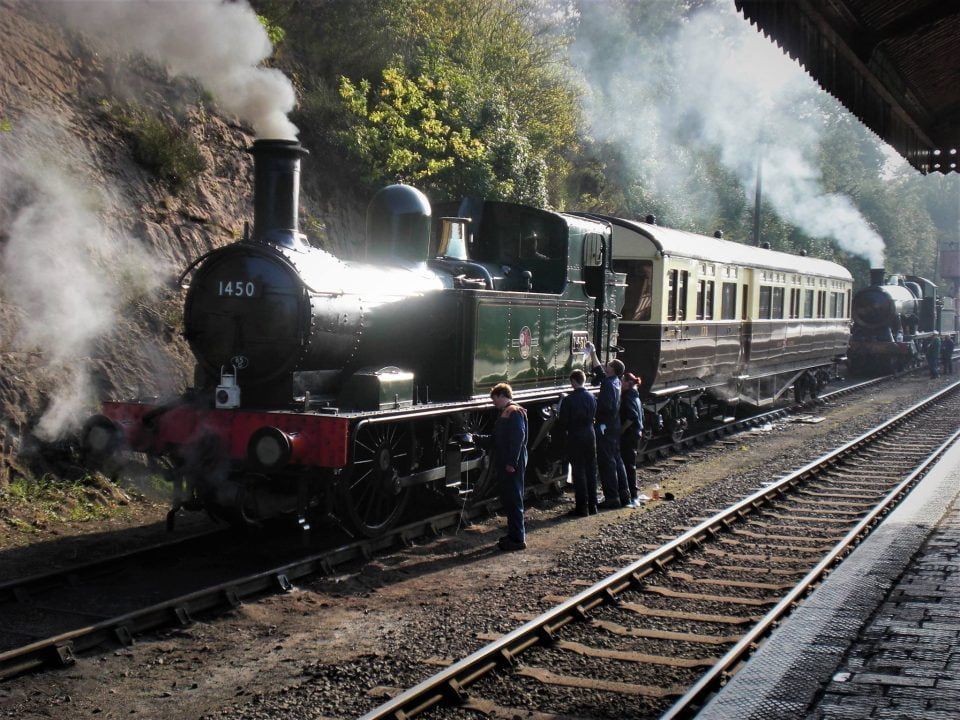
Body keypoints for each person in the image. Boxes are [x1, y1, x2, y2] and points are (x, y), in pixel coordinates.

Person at [473, 383, 528, 551]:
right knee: (510, 499)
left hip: (512, 463)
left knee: (514, 499)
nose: (493, 403)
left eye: (494, 399)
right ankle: (513, 534)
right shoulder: (506, 412)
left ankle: (518, 538)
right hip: (507, 461)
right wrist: (474, 438)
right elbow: (496, 438)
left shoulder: (513, 412)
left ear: (502, 395)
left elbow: (518, 438)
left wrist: (512, 462)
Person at [585, 342, 629, 509]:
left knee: (607, 461)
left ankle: (612, 497)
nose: (605, 366)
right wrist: (593, 353)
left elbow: (607, 406)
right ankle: (623, 493)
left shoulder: (610, 384)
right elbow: (599, 371)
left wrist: (595, 407)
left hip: (606, 426)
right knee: (616, 459)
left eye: (608, 365)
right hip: (614, 425)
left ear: (613, 369)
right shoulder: (615, 381)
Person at [557, 369, 598, 516]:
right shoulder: (592, 397)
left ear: (573, 381)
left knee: (578, 471)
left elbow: (563, 422)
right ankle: (593, 505)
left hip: (576, 436)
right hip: (590, 435)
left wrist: (561, 404)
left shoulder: (569, 400)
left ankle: (582, 507)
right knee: (591, 470)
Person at [619, 372, 644, 508]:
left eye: (622, 381)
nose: (620, 384)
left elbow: (631, 417)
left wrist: (620, 431)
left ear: (628, 383)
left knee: (628, 465)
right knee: (630, 464)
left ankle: (632, 495)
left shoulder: (628, 397)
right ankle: (631, 494)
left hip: (629, 435)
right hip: (635, 433)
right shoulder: (636, 396)